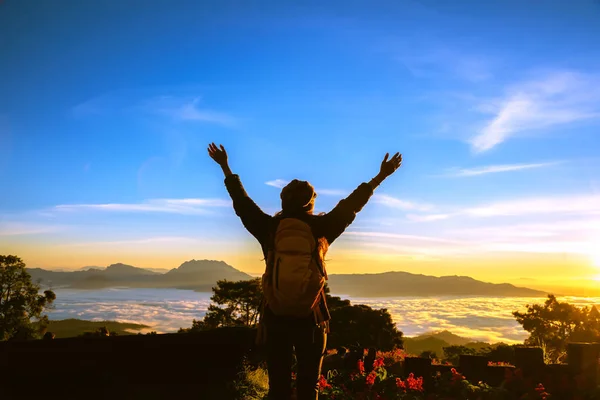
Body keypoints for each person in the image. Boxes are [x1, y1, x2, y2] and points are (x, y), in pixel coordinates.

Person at [208, 142, 402, 400]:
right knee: (309, 385)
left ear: (282, 200)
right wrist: (380, 177)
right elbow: (351, 205)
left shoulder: (268, 228)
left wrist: (225, 166)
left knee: (278, 387)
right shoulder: (322, 228)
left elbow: (242, 203)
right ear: (310, 203)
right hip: (312, 318)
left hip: (275, 317)